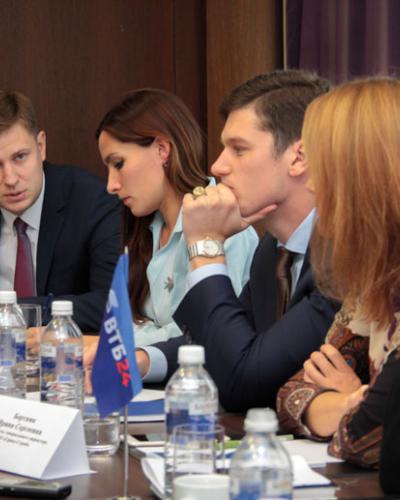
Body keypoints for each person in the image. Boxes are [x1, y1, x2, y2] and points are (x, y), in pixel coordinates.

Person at [136, 70, 339, 411]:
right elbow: (225, 342)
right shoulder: (271, 250)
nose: (217, 166)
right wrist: (143, 360)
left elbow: (244, 380)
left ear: (299, 158)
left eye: (239, 149)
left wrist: (206, 247)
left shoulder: (344, 258)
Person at [276, 77, 400, 470]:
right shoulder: (376, 280)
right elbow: (292, 394)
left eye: (325, 170)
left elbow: (365, 440)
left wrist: (355, 400)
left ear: (367, 177)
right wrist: (355, 399)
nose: (313, 186)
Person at [86, 88, 257, 358]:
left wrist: (113, 343)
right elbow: (136, 321)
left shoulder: (224, 221)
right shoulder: (147, 227)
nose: (111, 185)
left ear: (161, 149)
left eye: (118, 163)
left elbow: (209, 334)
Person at [0, 90, 121, 331]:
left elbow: (111, 303)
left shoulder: (92, 202)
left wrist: (16, 311)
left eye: (20, 157)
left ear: (41, 146)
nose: (10, 179)